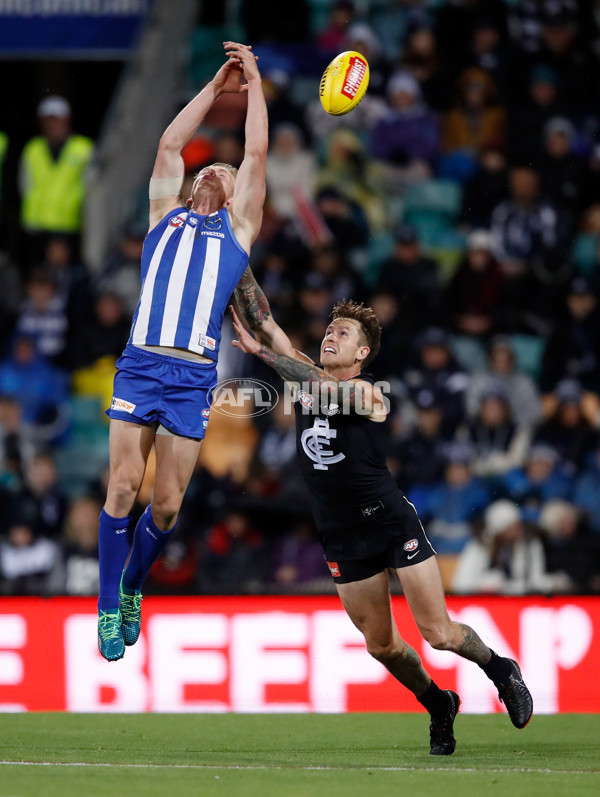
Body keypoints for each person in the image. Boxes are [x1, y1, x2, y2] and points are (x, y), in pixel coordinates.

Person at [229, 280, 533, 755]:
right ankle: (438, 704)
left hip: (389, 522)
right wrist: (239, 265)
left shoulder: (370, 394)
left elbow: (299, 373)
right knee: (382, 646)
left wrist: (264, 355)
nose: (331, 335)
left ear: (362, 352)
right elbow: (266, 323)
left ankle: (501, 671)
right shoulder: (306, 375)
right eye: (330, 328)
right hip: (341, 536)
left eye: (344, 332)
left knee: (439, 633)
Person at [96, 42, 268, 661]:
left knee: (165, 505)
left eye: (223, 171)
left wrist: (253, 83)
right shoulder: (163, 215)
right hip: (142, 360)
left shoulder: (238, 230)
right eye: (207, 169)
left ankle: (136, 583)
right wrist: (216, 88)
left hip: (192, 375)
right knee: (122, 486)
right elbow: (169, 144)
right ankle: (107, 604)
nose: (214, 171)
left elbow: (256, 152)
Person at [18, 96, 94, 266]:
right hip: (36, 226)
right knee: (38, 277)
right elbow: (24, 184)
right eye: (49, 120)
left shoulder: (83, 148)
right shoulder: (33, 148)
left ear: (67, 119)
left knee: (65, 278)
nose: (53, 125)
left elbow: (92, 188)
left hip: (68, 225)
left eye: (57, 119)